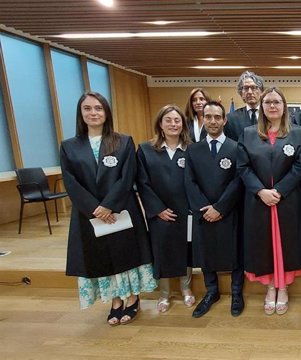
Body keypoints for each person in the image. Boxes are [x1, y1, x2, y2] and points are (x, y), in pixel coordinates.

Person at [60, 91, 156, 326]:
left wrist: (108, 205)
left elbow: (127, 177)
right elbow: (71, 181)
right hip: (89, 215)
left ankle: (133, 299)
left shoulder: (123, 141)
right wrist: (95, 208)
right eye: (88, 109)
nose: (93, 113)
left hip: (121, 210)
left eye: (98, 108)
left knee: (125, 255)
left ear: (106, 112)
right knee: (102, 256)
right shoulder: (69, 146)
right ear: (80, 114)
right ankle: (115, 301)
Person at [237, 87, 301, 315]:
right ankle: (270, 287)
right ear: (261, 106)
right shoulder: (248, 133)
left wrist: (279, 190)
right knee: (264, 245)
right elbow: (243, 166)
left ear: (284, 106)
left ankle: (284, 287)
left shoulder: (297, 133)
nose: (272, 106)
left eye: (277, 102)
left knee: (286, 243)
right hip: (259, 202)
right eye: (267, 102)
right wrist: (260, 191)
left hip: (287, 201)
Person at [184, 101, 244, 318]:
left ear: (224, 120)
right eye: (208, 117)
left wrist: (220, 207)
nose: (212, 121)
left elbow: (239, 180)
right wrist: (204, 209)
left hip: (229, 211)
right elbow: (189, 182)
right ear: (203, 119)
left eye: (217, 117)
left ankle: (237, 292)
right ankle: (212, 292)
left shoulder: (236, 148)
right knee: (206, 252)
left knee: (236, 252)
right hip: (203, 213)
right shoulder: (193, 149)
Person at [136, 105, 194, 313]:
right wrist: (158, 209)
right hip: (159, 212)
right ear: (160, 124)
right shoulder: (145, 150)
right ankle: (164, 294)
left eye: (177, 120)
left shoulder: (191, 149)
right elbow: (142, 183)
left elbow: (196, 180)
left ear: (183, 124)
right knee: (162, 252)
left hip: (185, 211)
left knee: (185, 251)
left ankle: (186, 289)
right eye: (168, 120)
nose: (173, 124)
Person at [224, 71, 265, 141]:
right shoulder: (231, 119)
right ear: (241, 93)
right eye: (246, 88)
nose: (249, 92)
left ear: (261, 92)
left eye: (253, 87)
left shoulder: (269, 115)